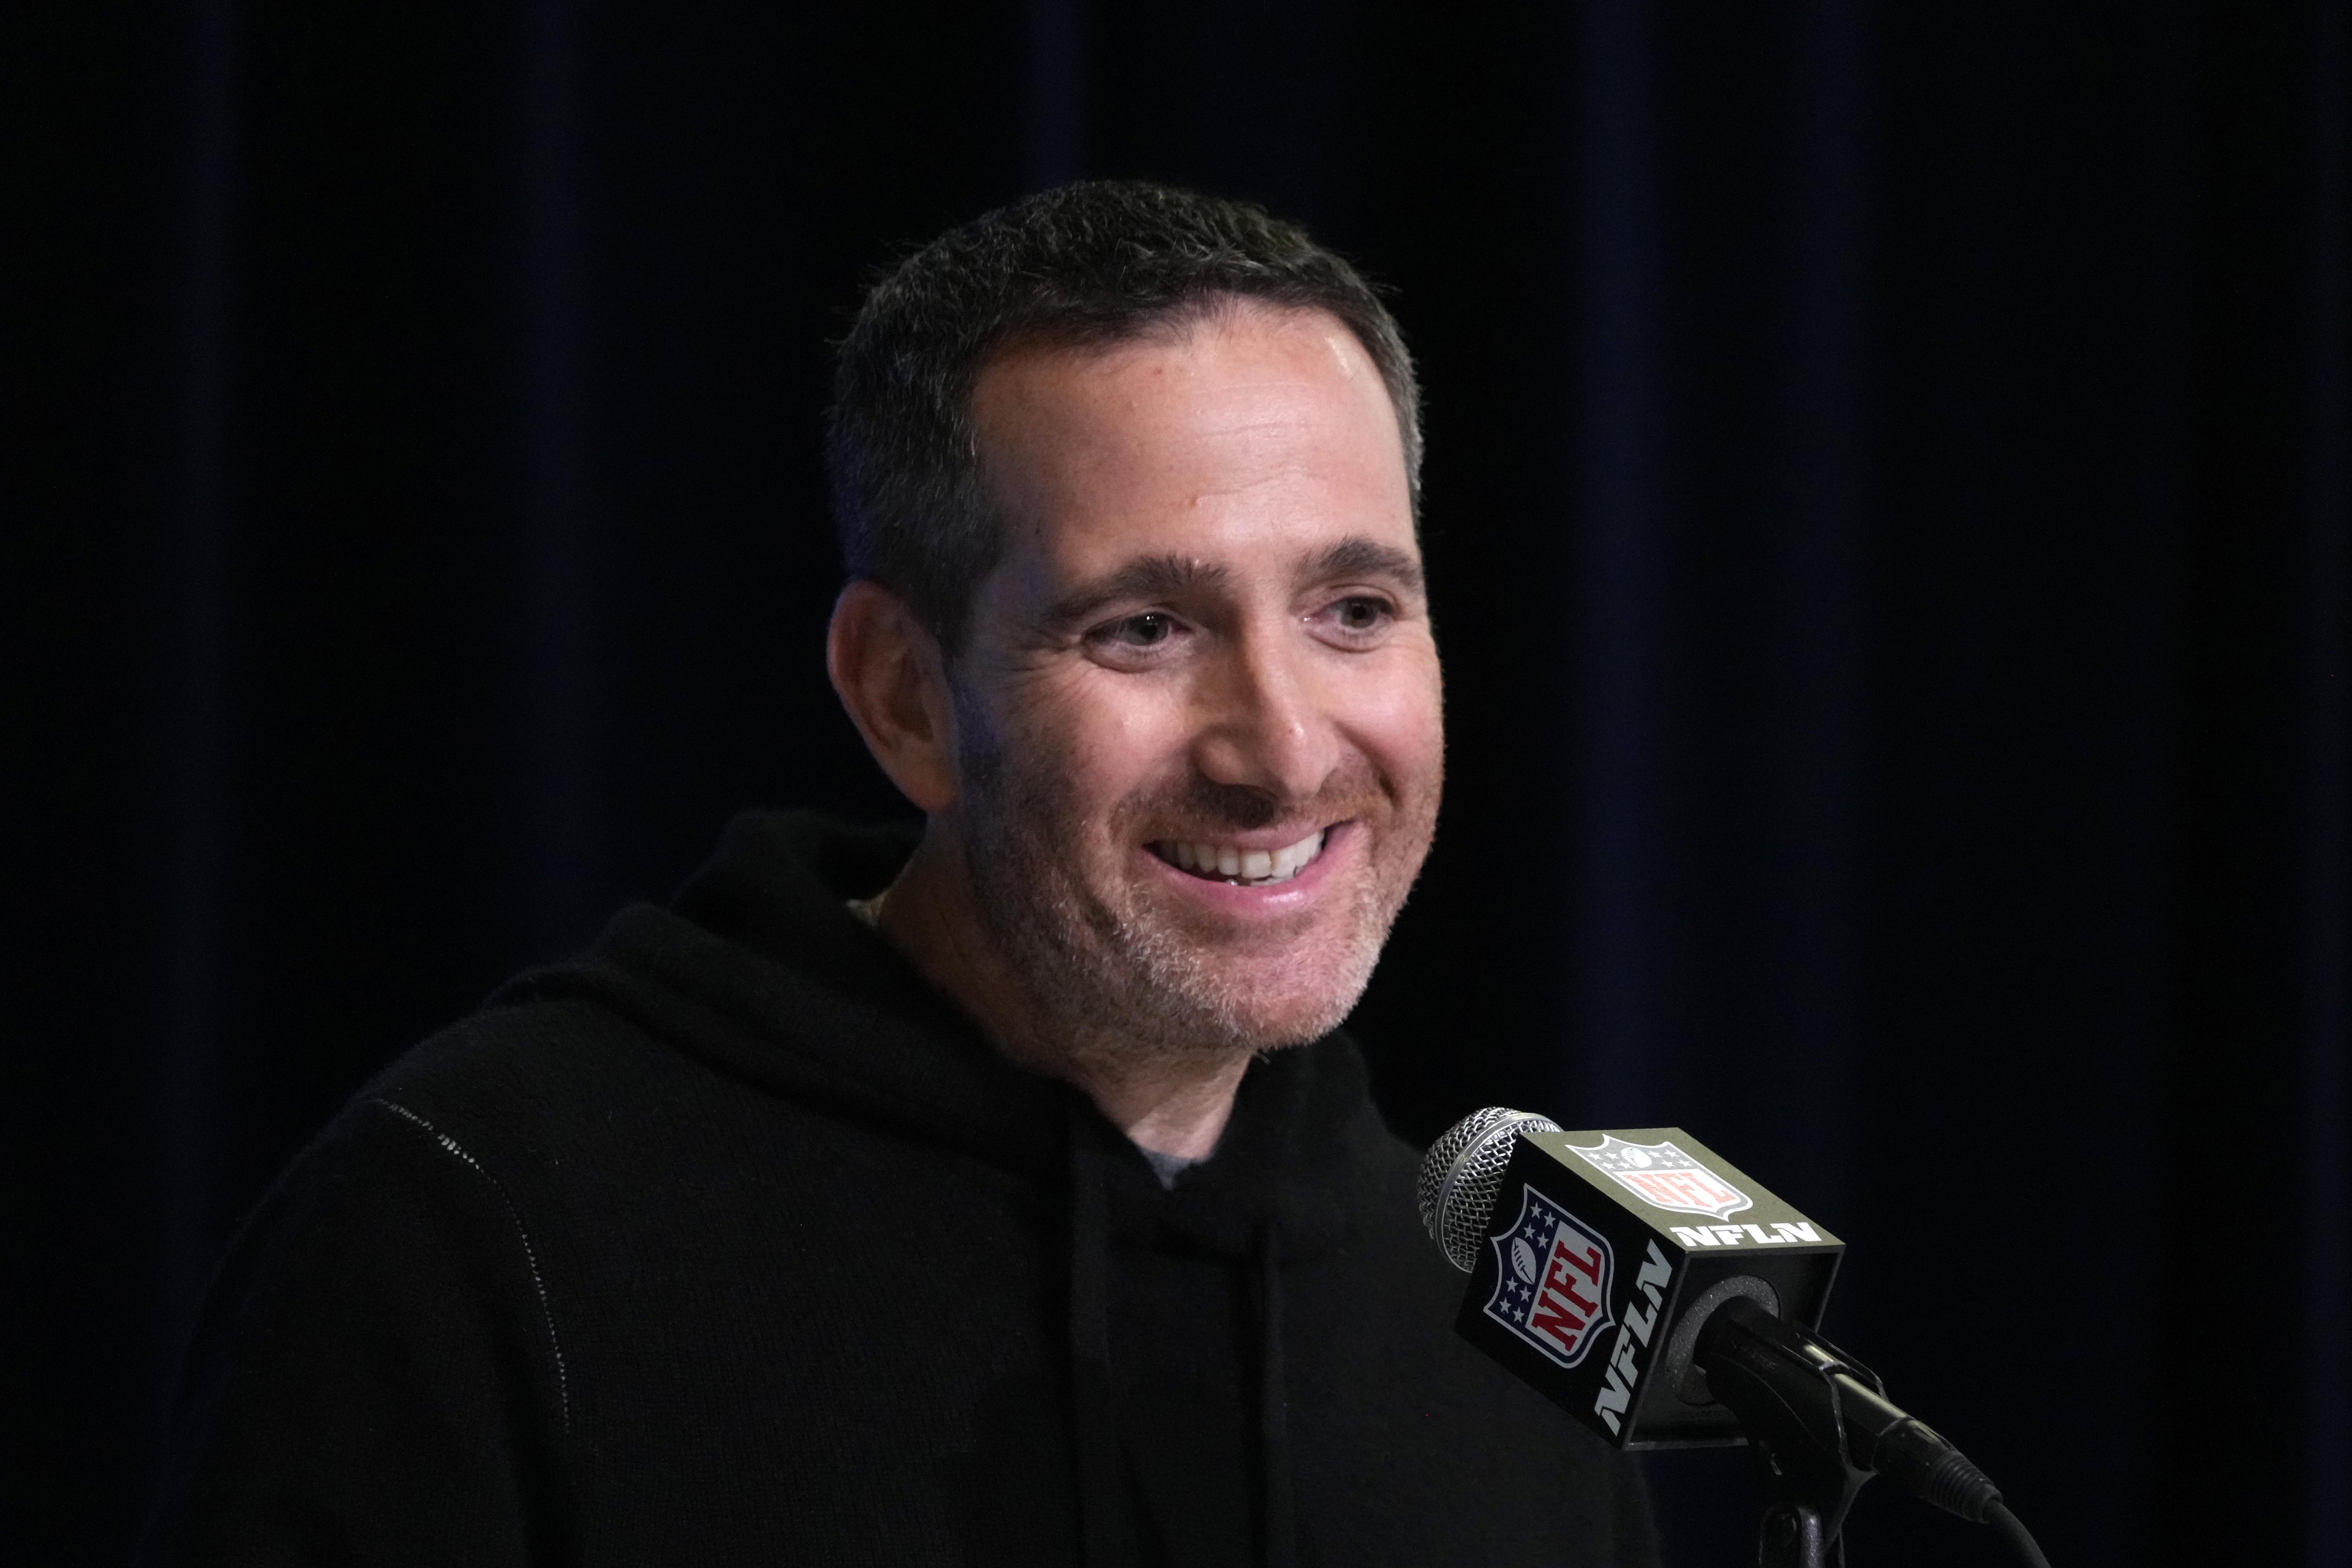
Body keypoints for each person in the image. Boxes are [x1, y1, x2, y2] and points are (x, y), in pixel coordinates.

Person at [143, 181, 1659, 1567]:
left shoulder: (1498, 1310)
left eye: (1353, 607)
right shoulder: (478, 1227)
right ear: (903, 696)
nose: (1278, 745)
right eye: (1142, 628)